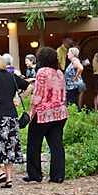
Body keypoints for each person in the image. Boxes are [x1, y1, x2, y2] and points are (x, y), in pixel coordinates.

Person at [0, 54, 33, 189]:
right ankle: (8, 179)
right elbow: (29, 86)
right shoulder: (11, 76)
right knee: (9, 149)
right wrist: (19, 100)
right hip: (11, 118)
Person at [24, 47, 69, 184]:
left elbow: (38, 93)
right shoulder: (59, 73)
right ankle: (57, 175)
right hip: (60, 112)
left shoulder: (42, 72)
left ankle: (35, 174)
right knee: (56, 145)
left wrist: (31, 110)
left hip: (44, 112)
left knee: (34, 143)